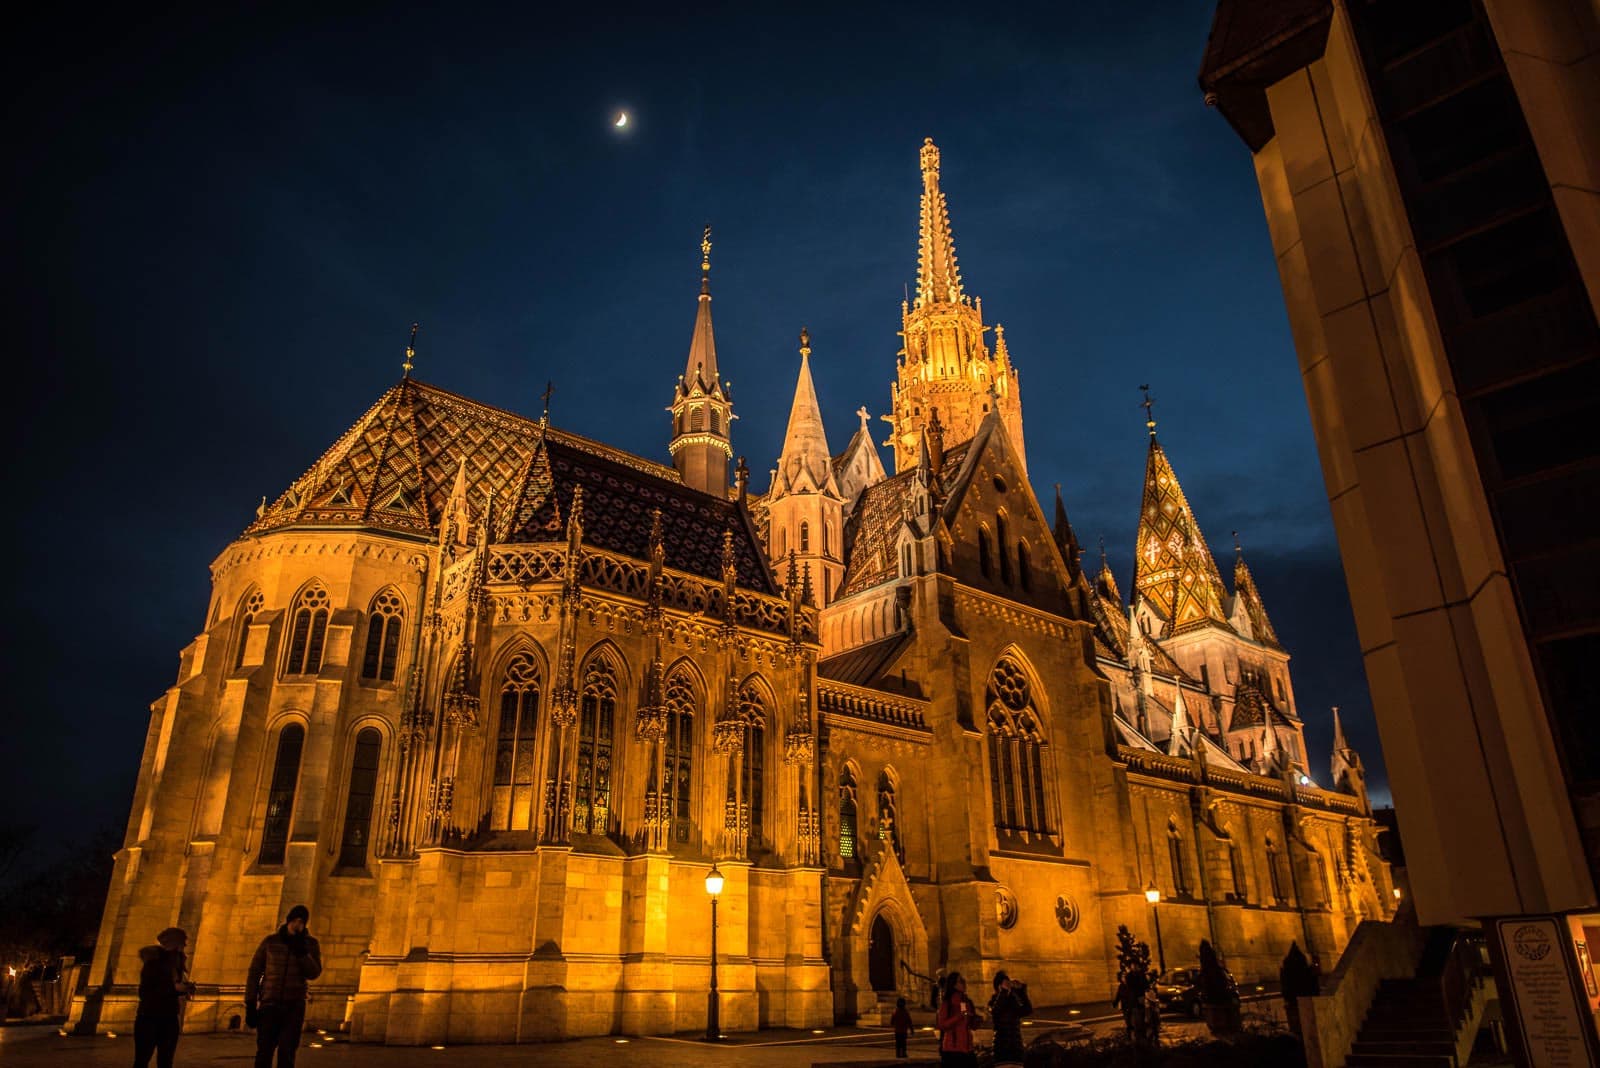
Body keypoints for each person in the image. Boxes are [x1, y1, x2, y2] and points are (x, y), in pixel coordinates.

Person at [246, 904, 322, 1068]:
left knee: (287, 1052)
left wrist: (302, 954)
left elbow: (314, 973)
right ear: (289, 920)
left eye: (302, 922)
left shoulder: (310, 944)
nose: (298, 925)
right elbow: (254, 971)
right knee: (264, 1051)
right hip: (269, 1003)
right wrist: (250, 1003)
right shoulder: (270, 942)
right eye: (295, 920)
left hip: (294, 1006)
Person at [134, 927, 195, 1068]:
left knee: (166, 1062)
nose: (185, 945)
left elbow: (170, 987)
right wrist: (174, 988)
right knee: (142, 1060)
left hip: (169, 1017)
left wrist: (184, 988)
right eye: (183, 941)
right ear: (175, 942)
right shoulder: (154, 963)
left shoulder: (177, 963)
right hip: (150, 1018)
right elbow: (145, 992)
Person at [934, 970, 982, 1067]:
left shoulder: (966, 1001)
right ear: (954, 985)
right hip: (953, 1049)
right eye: (961, 981)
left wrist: (977, 1020)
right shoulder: (947, 1003)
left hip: (968, 1049)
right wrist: (959, 1016)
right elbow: (942, 1024)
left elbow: (970, 1025)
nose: (964, 983)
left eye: (963, 980)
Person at [987, 970, 1033, 1068]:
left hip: (1016, 1048)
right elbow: (996, 1011)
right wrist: (1003, 992)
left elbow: (1027, 1010)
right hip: (1002, 1049)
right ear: (999, 986)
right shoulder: (993, 1002)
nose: (1009, 986)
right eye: (1006, 983)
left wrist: (1021, 991)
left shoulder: (1013, 1002)